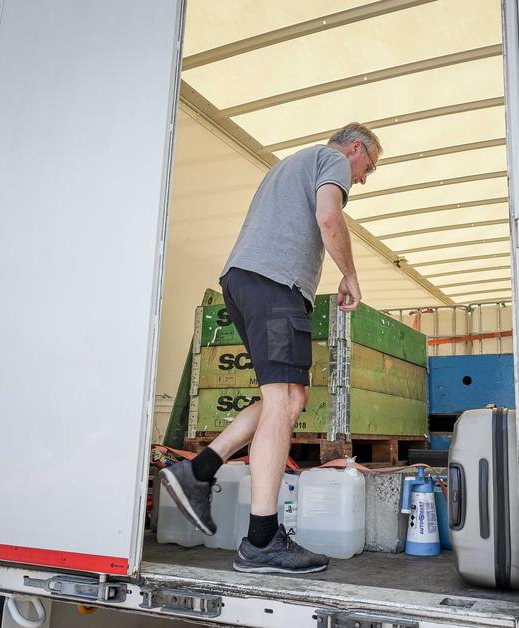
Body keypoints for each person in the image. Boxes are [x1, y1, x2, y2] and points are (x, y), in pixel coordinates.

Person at [161, 123, 381, 574]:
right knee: (283, 400)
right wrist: (350, 274)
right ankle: (261, 540)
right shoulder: (332, 159)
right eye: (369, 167)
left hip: (246, 282)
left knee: (289, 396)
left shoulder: (289, 166)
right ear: (355, 148)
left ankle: (199, 470)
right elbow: (328, 217)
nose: (362, 178)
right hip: (275, 286)